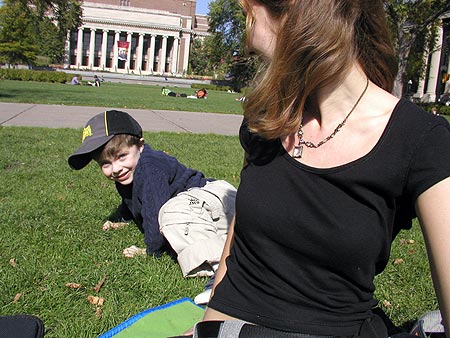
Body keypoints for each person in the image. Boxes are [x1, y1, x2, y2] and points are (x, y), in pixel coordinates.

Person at [192, 0, 450, 337]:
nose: (247, 42)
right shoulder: (268, 120)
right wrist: (208, 325)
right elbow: (239, 245)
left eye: (248, 18)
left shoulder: (421, 141)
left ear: (298, 17)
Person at [68, 110, 236, 279]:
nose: (116, 169)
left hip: (215, 198)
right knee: (173, 215)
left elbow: (154, 211)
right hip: (206, 208)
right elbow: (132, 200)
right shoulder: (129, 172)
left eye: (121, 156)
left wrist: (151, 250)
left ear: (140, 146)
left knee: (170, 215)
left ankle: (226, 265)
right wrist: (123, 219)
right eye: (105, 164)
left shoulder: (149, 167)